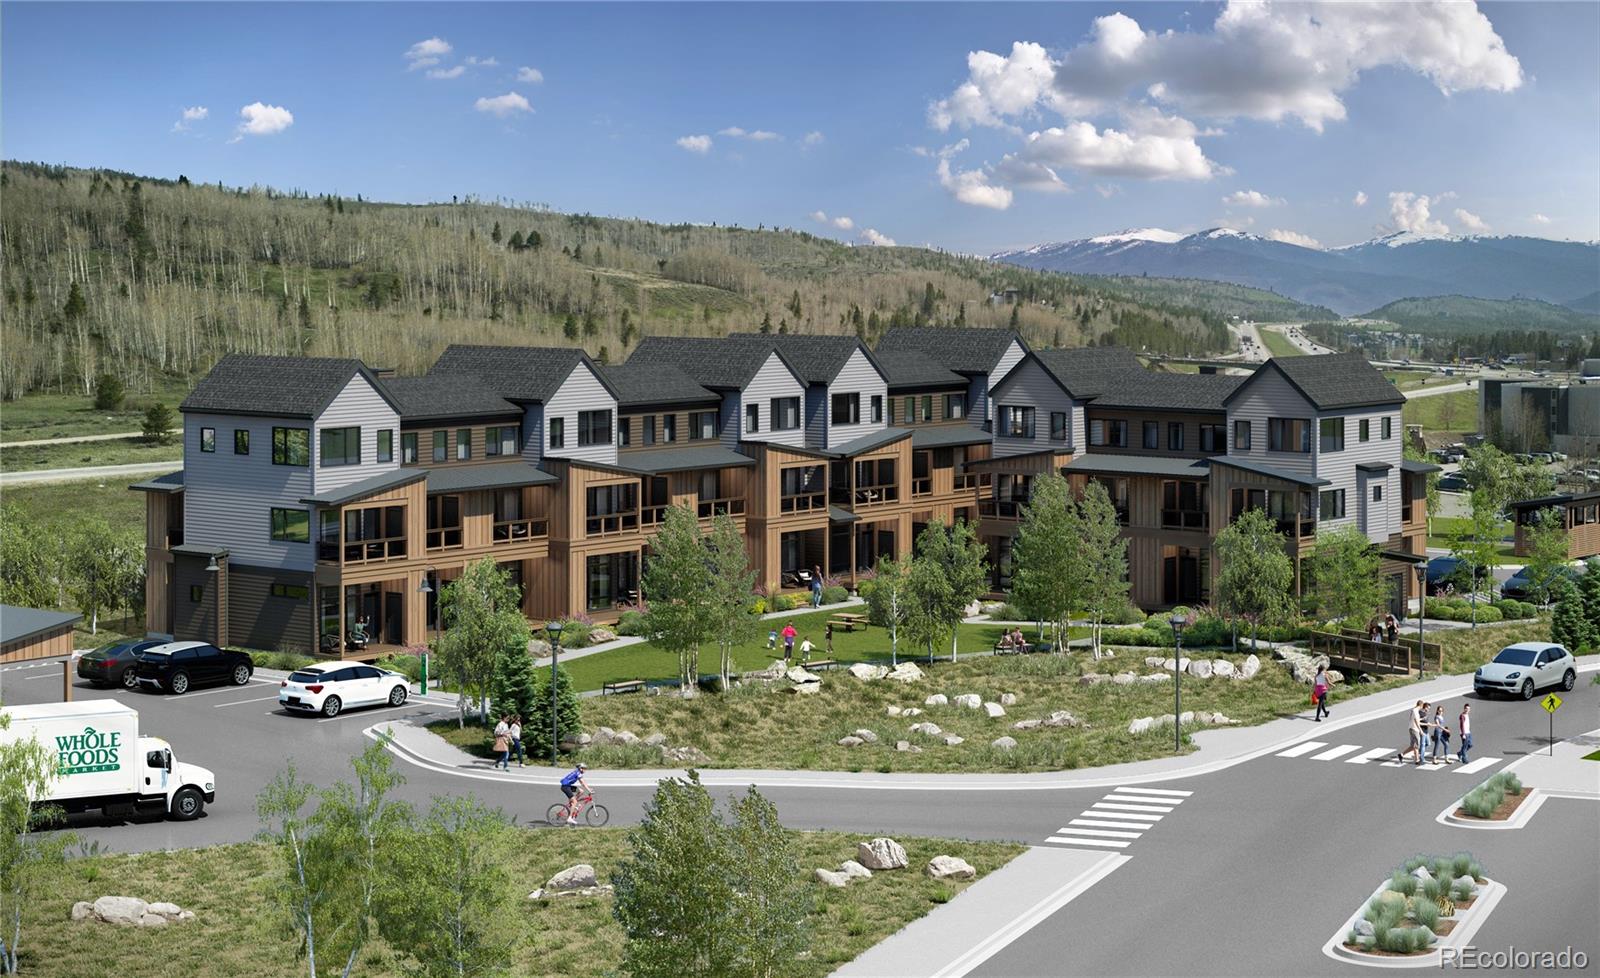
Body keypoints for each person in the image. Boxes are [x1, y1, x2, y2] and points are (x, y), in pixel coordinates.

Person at [1397, 700, 1425, 765]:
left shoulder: (1414, 711)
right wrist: (1420, 730)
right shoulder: (1415, 711)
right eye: (1422, 706)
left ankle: (1401, 755)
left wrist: (1421, 719)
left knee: (1413, 746)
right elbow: (1415, 721)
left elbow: (1415, 719)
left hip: (1412, 729)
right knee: (1416, 745)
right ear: (1421, 705)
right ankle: (1417, 760)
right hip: (1414, 729)